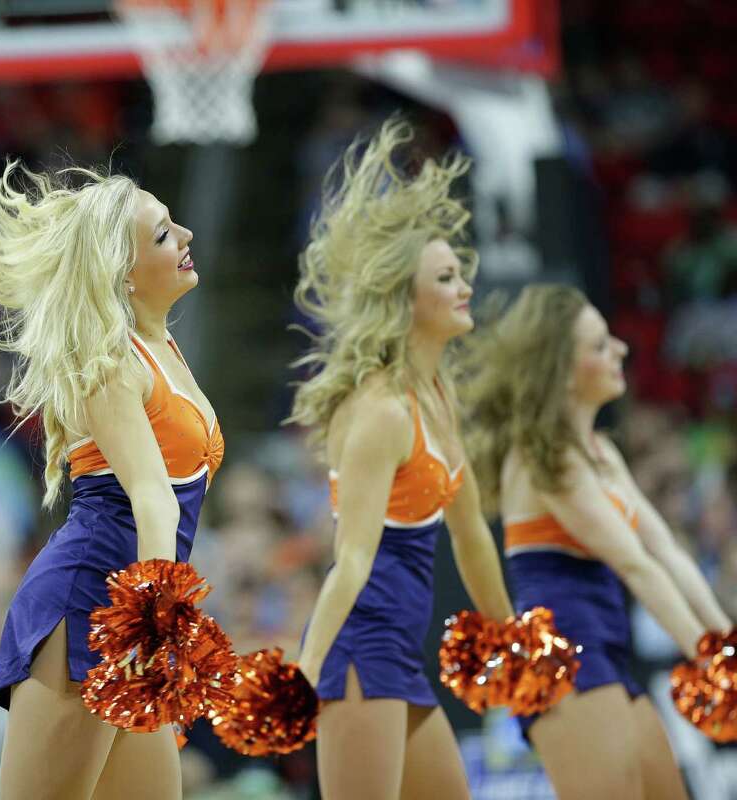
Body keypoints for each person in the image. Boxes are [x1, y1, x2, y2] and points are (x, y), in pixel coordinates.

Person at [0, 161, 223, 800]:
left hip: (136, 607)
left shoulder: (161, 348)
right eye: (165, 234)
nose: (188, 234)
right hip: (91, 607)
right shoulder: (111, 365)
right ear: (124, 274)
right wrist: (156, 625)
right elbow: (153, 502)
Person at [287, 119, 513, 800]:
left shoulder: (436, 393)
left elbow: (471, 533)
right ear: (406, 301)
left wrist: (511, 638)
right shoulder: (384, 411)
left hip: (397, 655)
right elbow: (352, 558)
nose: (464, 286)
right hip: (359, 652)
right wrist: (303, 672)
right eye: (446, 278)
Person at [461, 283, 731, 800]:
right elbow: (634, 566)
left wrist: (724, 641)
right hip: (564, 658)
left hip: (607, 652)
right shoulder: (548, 458)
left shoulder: (602, 451)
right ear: (562, 370)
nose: (621, 351)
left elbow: (665, 551)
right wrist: (707, 656)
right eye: (601, 345)